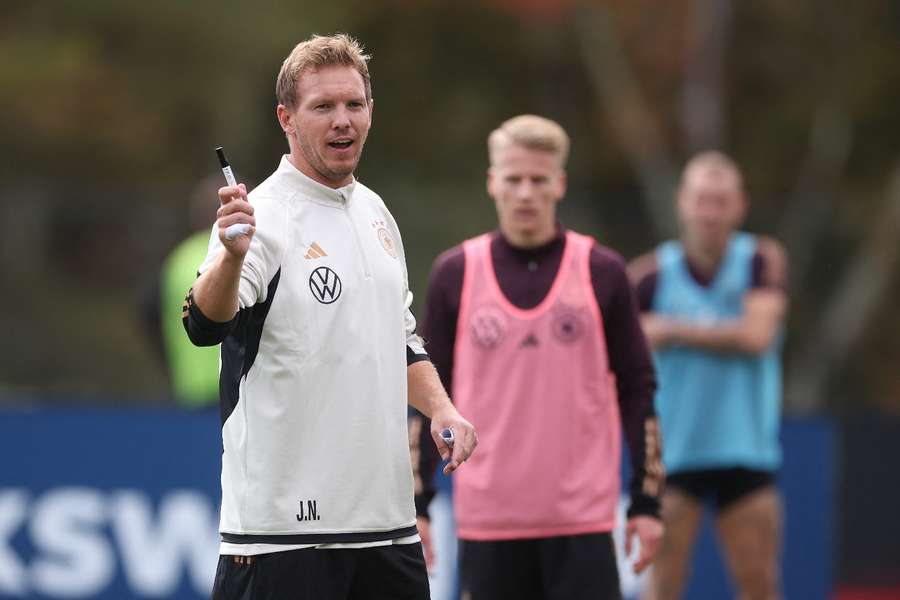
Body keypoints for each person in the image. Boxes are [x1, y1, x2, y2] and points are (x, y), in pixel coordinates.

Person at [182, 33, 477, 600]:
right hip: (281, 538)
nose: (342, 120)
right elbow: (202, 323)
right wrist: (233, 257)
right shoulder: (262, 215)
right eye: (323, 107)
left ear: (370, 112)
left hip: (387, 530)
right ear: (287, 118)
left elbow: (401, 338)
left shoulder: (375, 211)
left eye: (354, 105)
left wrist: (442, 407)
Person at [411, 114, 665, 599]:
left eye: (538, 179)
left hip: (583, 522)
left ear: (560, 184)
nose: (525, 192)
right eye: (513, 179)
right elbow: (425, 392)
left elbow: (639, 389)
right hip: (488, 522)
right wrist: (418, 502)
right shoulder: (456, 273)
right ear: (492, 183)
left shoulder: (602, 272)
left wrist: (647, 503)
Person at [628, 152, 788, 600]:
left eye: (721, 201)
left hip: (746, 450)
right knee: (663, 584)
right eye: (702, 200)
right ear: (683, 203)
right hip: (674, 454)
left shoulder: (761, 259)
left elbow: (758, 335)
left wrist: (672, 328)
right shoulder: (648, 277)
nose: (710, 213)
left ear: (739, 206)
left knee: (759, 582)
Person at [141, 176, 222, 408]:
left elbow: (148, 314)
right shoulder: (241, 253)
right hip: (236, 385)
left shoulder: (178, 259)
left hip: (190, 387)